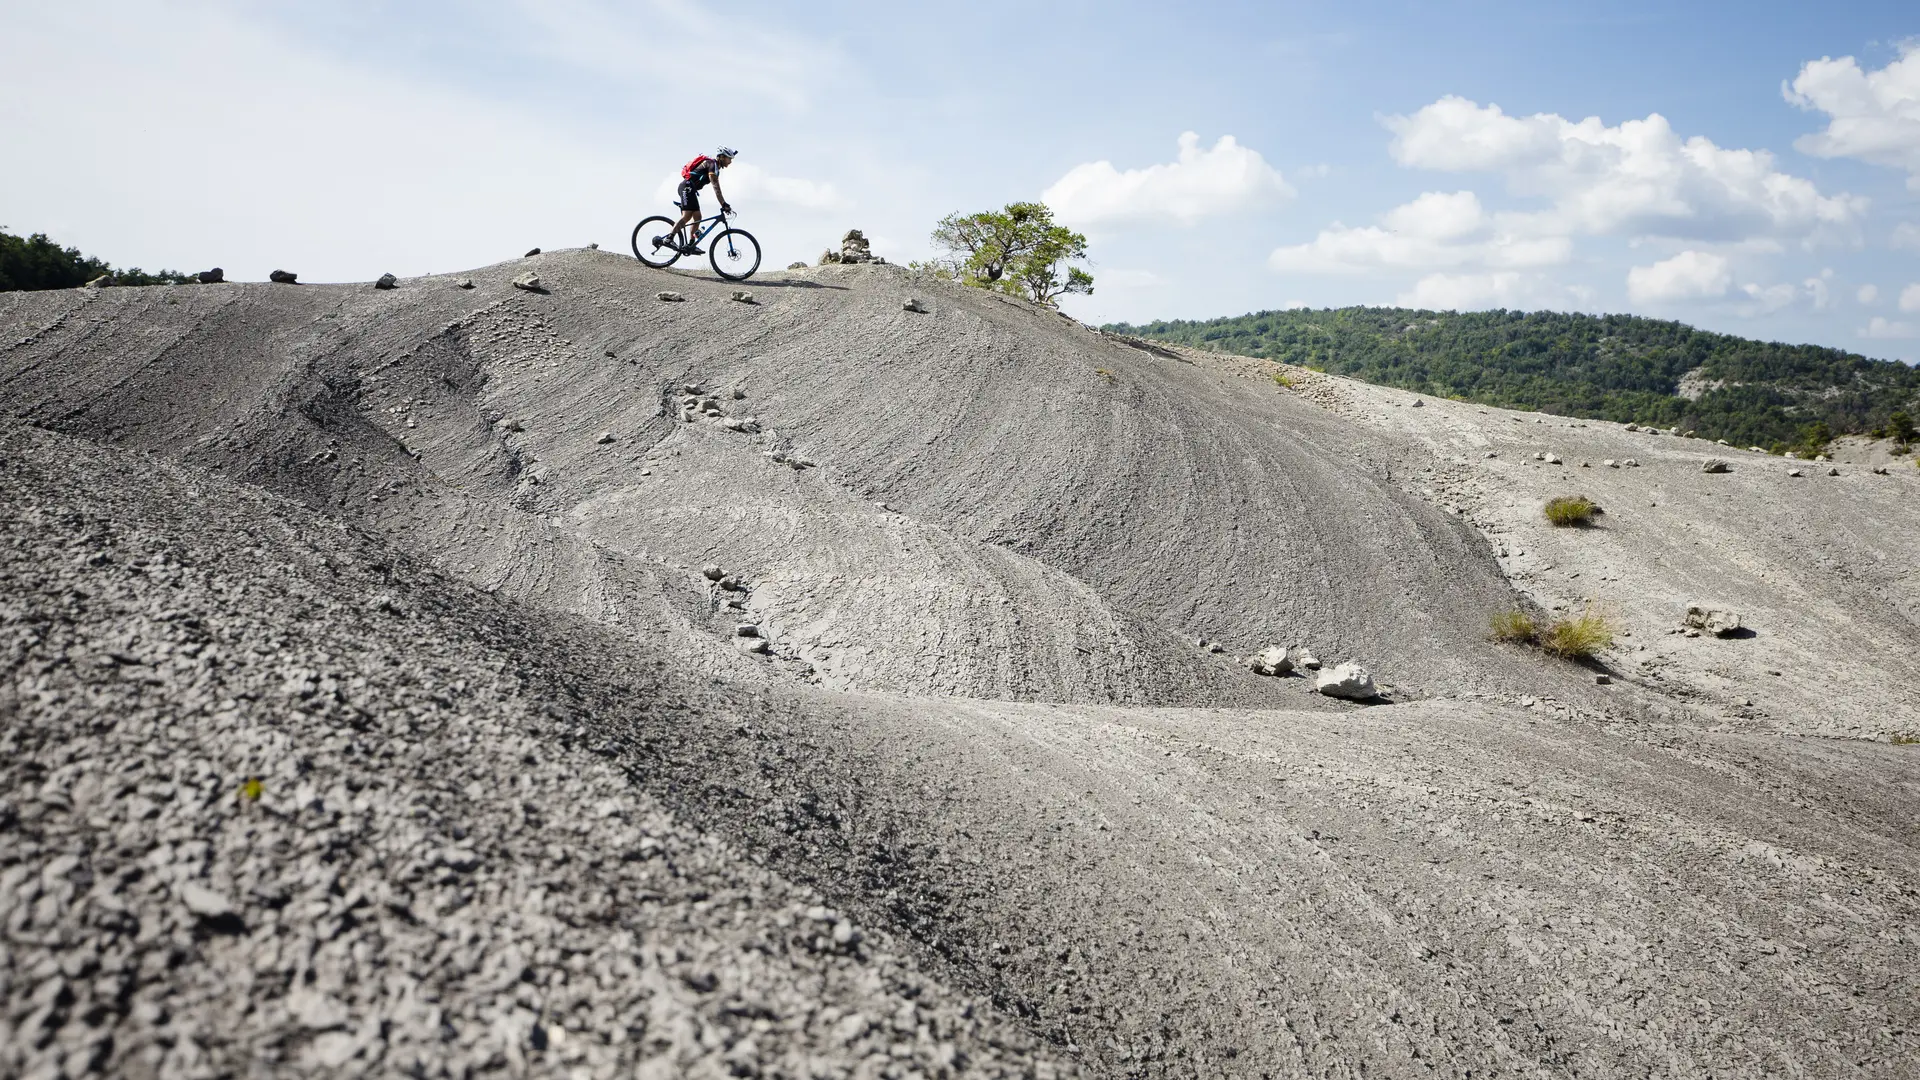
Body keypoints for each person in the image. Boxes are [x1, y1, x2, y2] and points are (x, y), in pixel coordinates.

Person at [670, 147, 736, 255]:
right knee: (687, 216)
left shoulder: (715, 167)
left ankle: (691, 244)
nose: (730, 162)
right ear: (722, 157)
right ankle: (669, 238)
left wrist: (723, 203)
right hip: (687, 187)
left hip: (690, 189)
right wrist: (723, 203)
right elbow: (716, 187)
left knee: (697, 216)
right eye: (729, 159)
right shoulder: (712, 164)